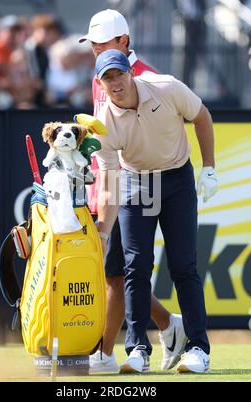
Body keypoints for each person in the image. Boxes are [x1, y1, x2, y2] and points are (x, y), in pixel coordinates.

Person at [94, 49, 218, 374]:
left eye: (119, 74)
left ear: (130, 72)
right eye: (108, 78)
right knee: (135, 267)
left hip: (177, 179)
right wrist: (103, 231)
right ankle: (137, 349)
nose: (116, 82)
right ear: (100, 83)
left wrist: (209, 168)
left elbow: (201, 115)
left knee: (183, 266)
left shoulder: (166, 87)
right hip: (136, 184)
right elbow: (109, 183)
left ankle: (198, 349)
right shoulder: (103, 124)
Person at [79, 9, 187, 374]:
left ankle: (105, 354)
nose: (97, 53)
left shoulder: (152, 80)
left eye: (103, 45)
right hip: (105, 184)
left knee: (119, 271)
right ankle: (168, 324)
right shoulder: (102, 76)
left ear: (124, 42)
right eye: (92, 47)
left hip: (139, 186)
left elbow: (177, 131)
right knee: (116, 271)